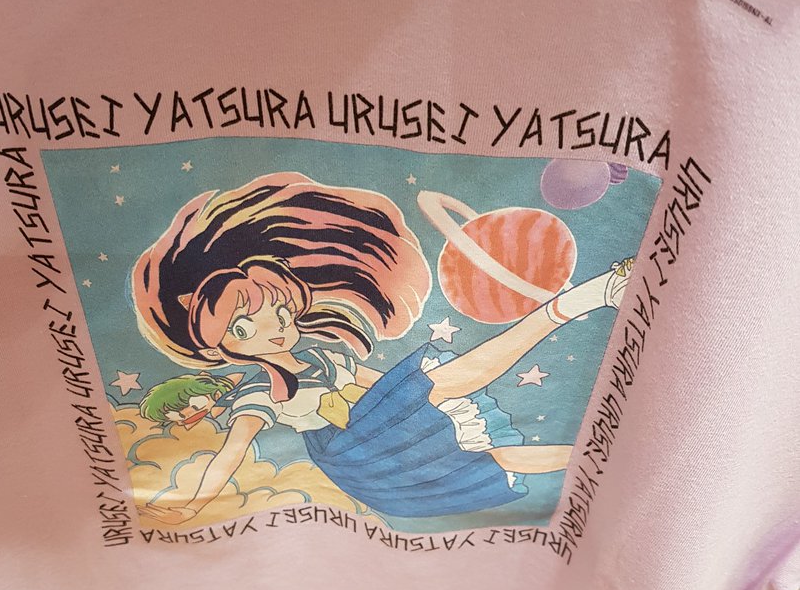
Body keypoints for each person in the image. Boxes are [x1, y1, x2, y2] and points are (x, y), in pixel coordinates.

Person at [131, 172, 634, 523]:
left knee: (463, 407)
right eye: (244, 328)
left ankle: (601, 442)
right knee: (495, 460)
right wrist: (193, 504)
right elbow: (231, 453)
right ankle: (585, 303)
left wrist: (421, 397)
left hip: (381, 428)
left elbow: (387, 389)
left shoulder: (322, 354)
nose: (277, 329)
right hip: (362, 459)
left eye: (281, 313)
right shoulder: (258, 393)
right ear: (223, 345)